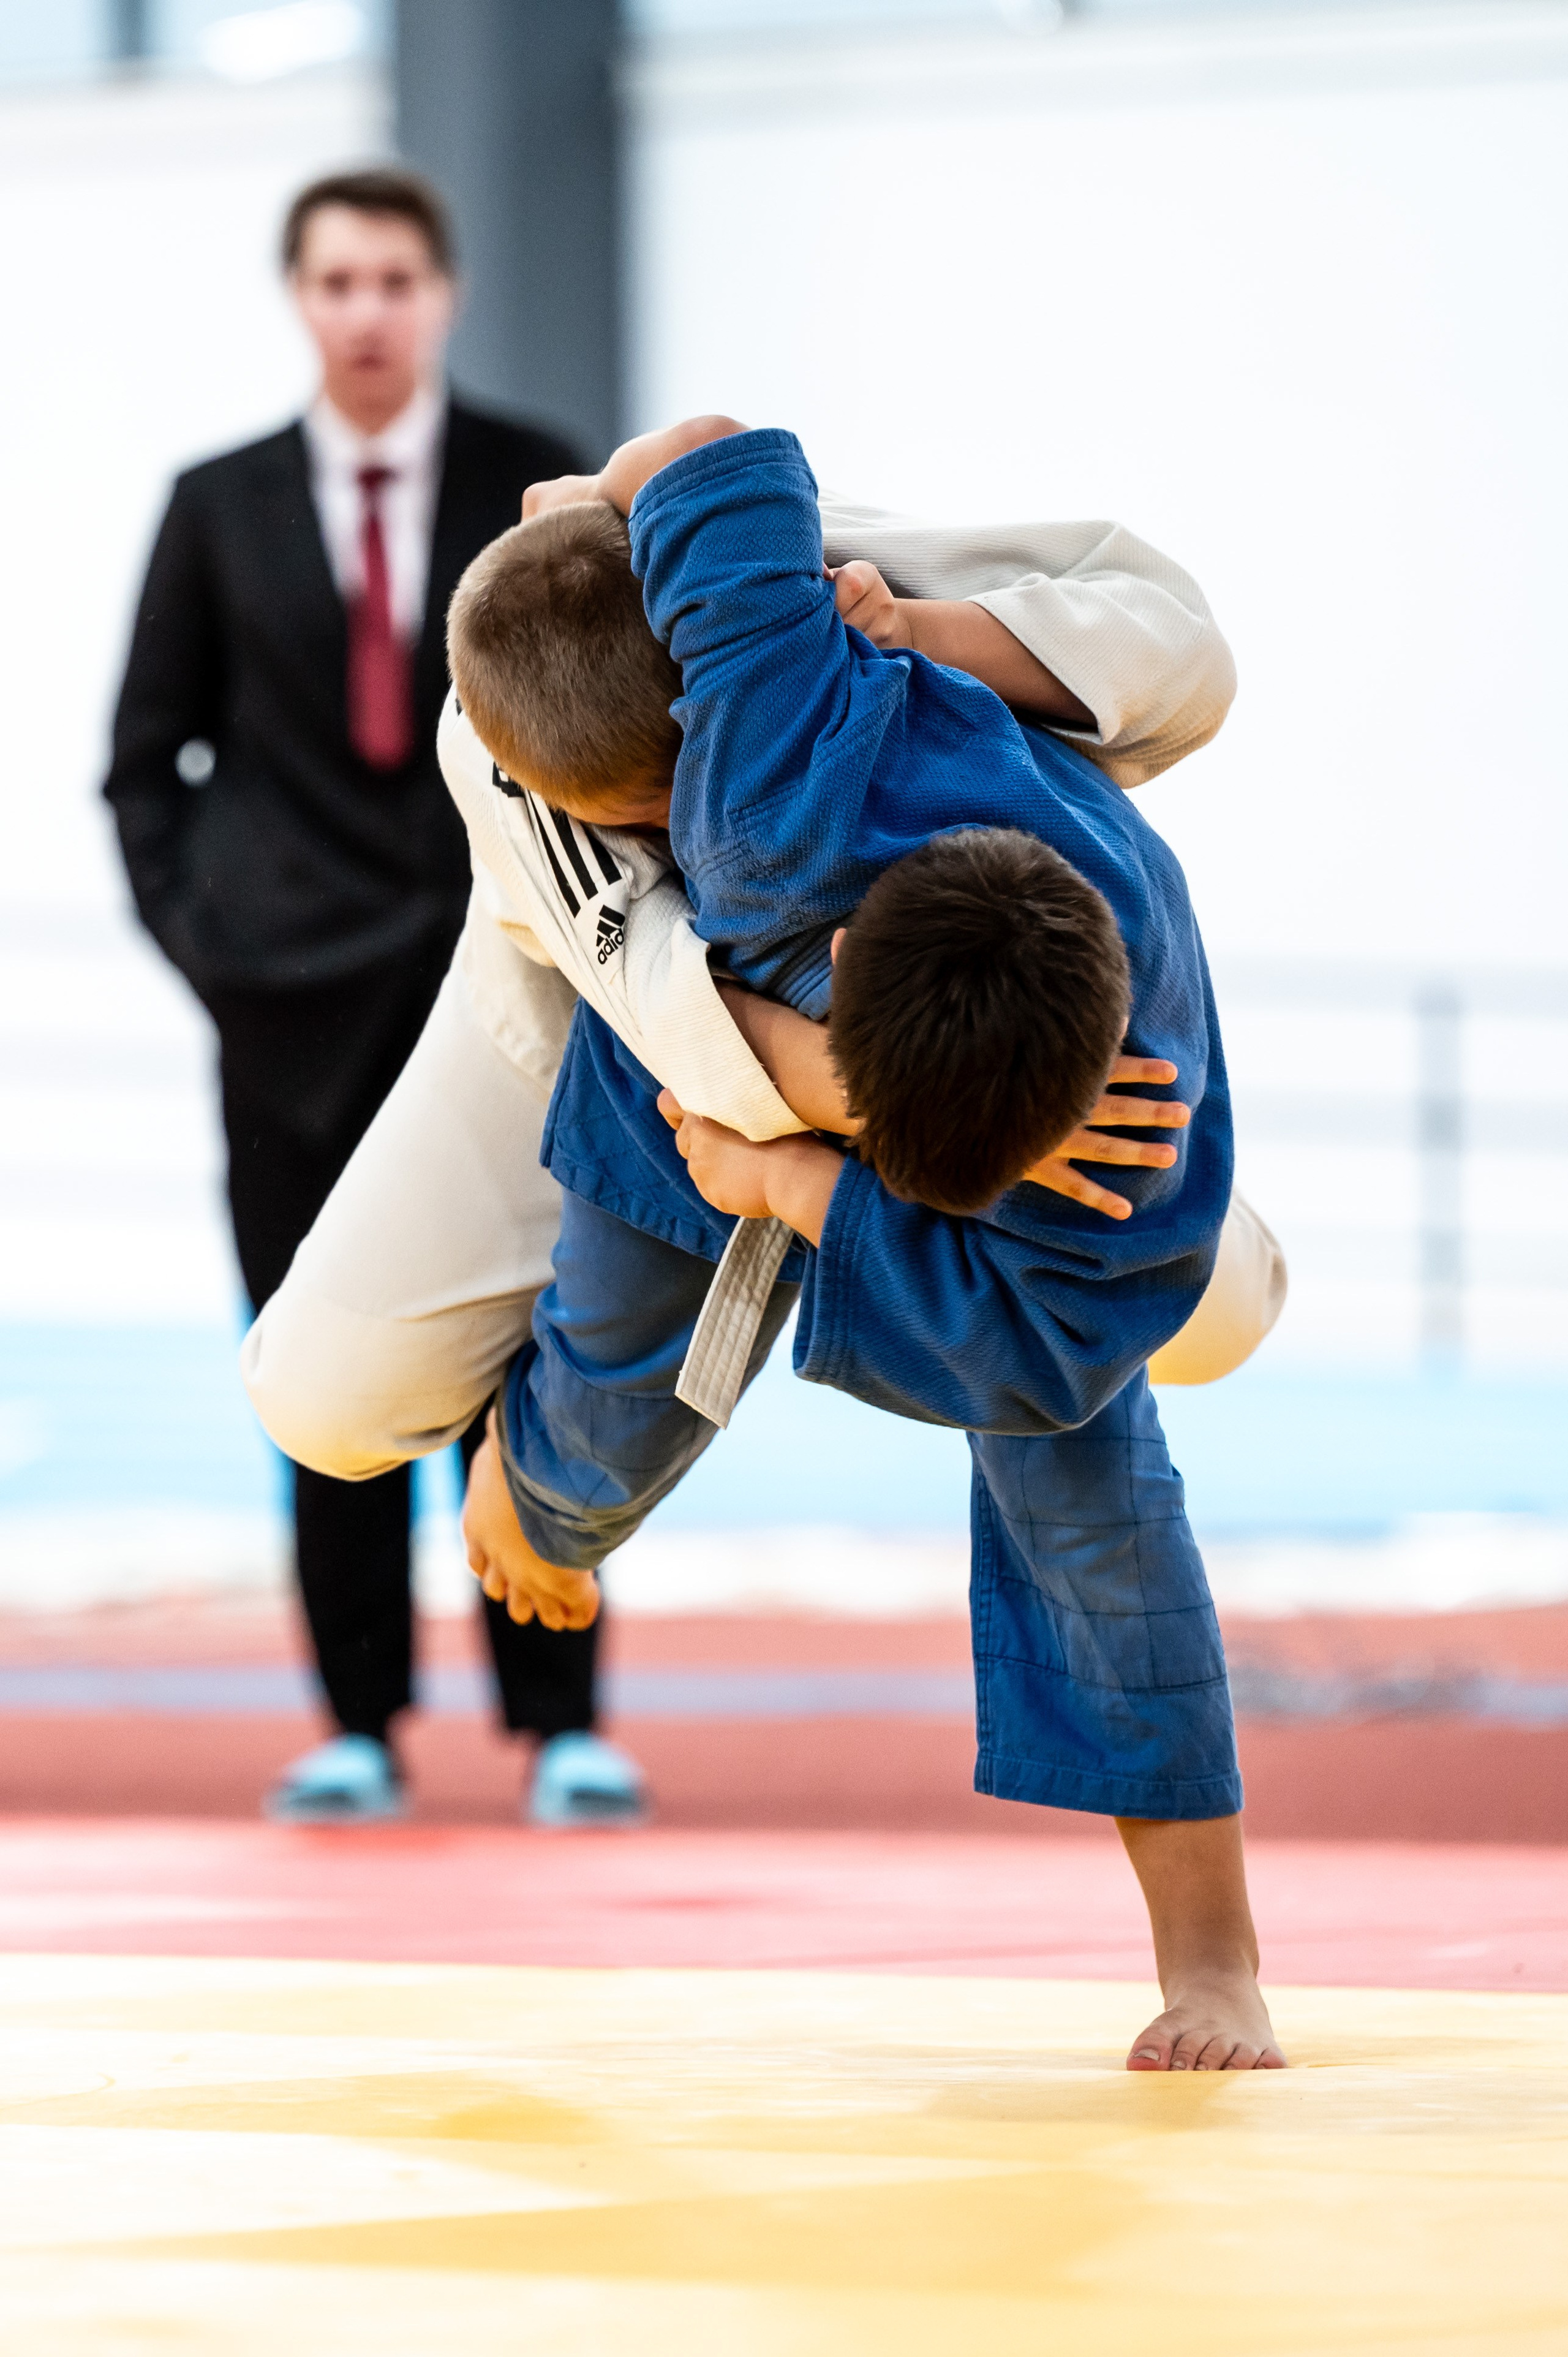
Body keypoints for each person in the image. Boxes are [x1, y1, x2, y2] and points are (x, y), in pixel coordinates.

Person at [246, 421, 1285, 2066]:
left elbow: (1029, 1359)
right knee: (586, 1377)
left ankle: (1211, 1951)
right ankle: (546, 1501)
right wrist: (605, 494)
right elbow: (709, 453)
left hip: (1001, 1087)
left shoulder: (1107, 968)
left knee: (1092, 1488)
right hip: (651, 1045)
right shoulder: (723, 752)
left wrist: (803, 1188)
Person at [104, 167, 646, 1828]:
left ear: (443, 294)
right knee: (319, 1353)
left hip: (502, 995)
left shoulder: (533, 477)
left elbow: (615, 718)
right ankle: (358, 1725)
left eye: (394, 279)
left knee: (537, 1346)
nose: (367, 311)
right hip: (286, 1021)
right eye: (338, 281)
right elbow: (142, 764)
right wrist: (219, 953)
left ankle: (561, 1722)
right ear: (300, 298)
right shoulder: (216, 506)